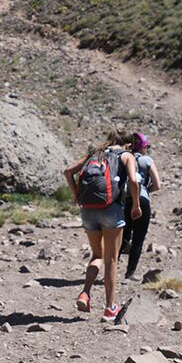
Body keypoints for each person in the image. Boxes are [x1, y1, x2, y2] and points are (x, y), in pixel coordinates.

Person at [64, 131, 141, 322]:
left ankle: (85, 293)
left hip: (88, 210)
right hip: (111, 210)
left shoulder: (95, 154)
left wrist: (76, 195)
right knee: (111, 260)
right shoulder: (126, 155)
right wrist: (137, 205)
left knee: (97, 255)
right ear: (128, 145)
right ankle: (109, 308)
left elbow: (68, 171)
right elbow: (133, 180)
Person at [120, 132, 161, 279]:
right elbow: (157, 185)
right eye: (146, 146)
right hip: (142, 199)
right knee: (138, 237)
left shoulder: (124, 158)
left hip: (126, 200)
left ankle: (111, 268)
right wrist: (145, 191)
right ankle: (130, 272)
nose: (147, 149)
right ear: (143, 147)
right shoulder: (147, 160)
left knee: (123, 235)